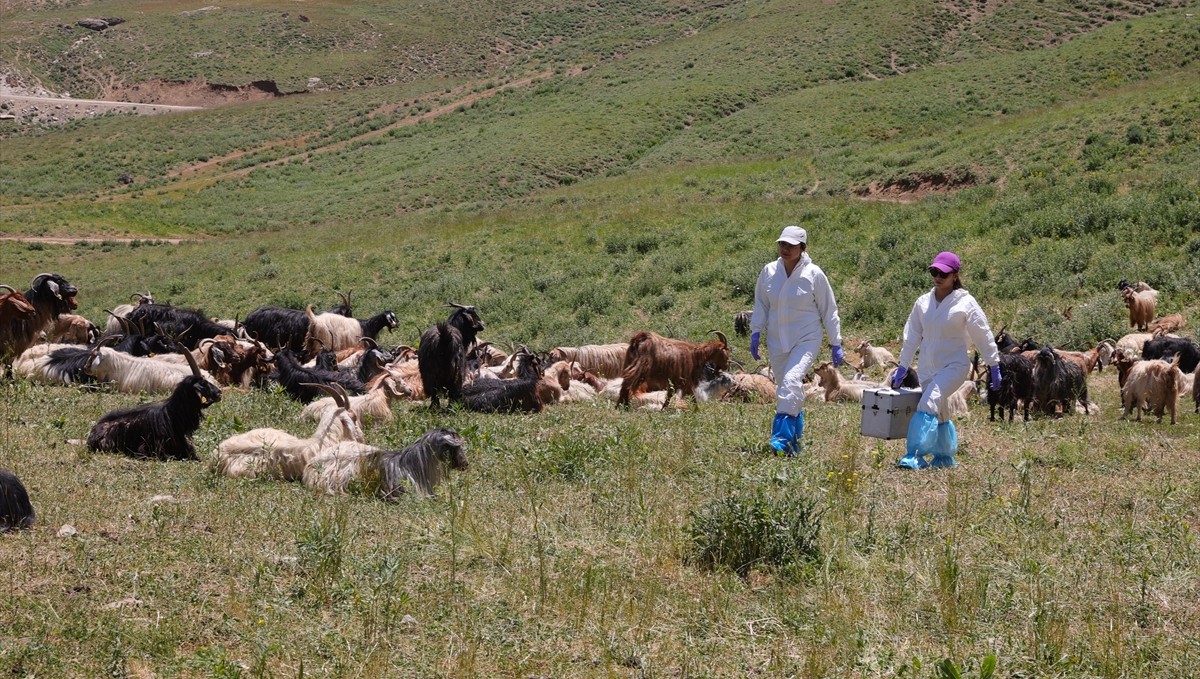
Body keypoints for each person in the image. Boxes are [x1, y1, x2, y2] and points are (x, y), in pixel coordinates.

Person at [891, 251, 1001, 469]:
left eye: (943, 272)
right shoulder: (922, 302)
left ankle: (914, 455)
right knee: (940, 410)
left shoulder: (966, 303)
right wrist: (903, 366)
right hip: (926, 367)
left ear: (955, 275)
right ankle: (943, 457)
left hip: (955, 365)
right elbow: (911, 335)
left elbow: (982, 334)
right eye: (934, 271)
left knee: (928, 402)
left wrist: (994, 364)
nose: (937, 276)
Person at [749, 225, 844, 456]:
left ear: (802, 247)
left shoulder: (814, 274)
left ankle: (780, 439)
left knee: (792, 380)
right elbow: (761, 303)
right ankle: (794, 442)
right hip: (776, 340)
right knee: (785, 387)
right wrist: (755, 331)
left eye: (791, 245)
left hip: (806, 338)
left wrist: (836, 342)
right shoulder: (769, 271)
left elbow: (828, 310)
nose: (785, 249)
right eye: (782, 244)